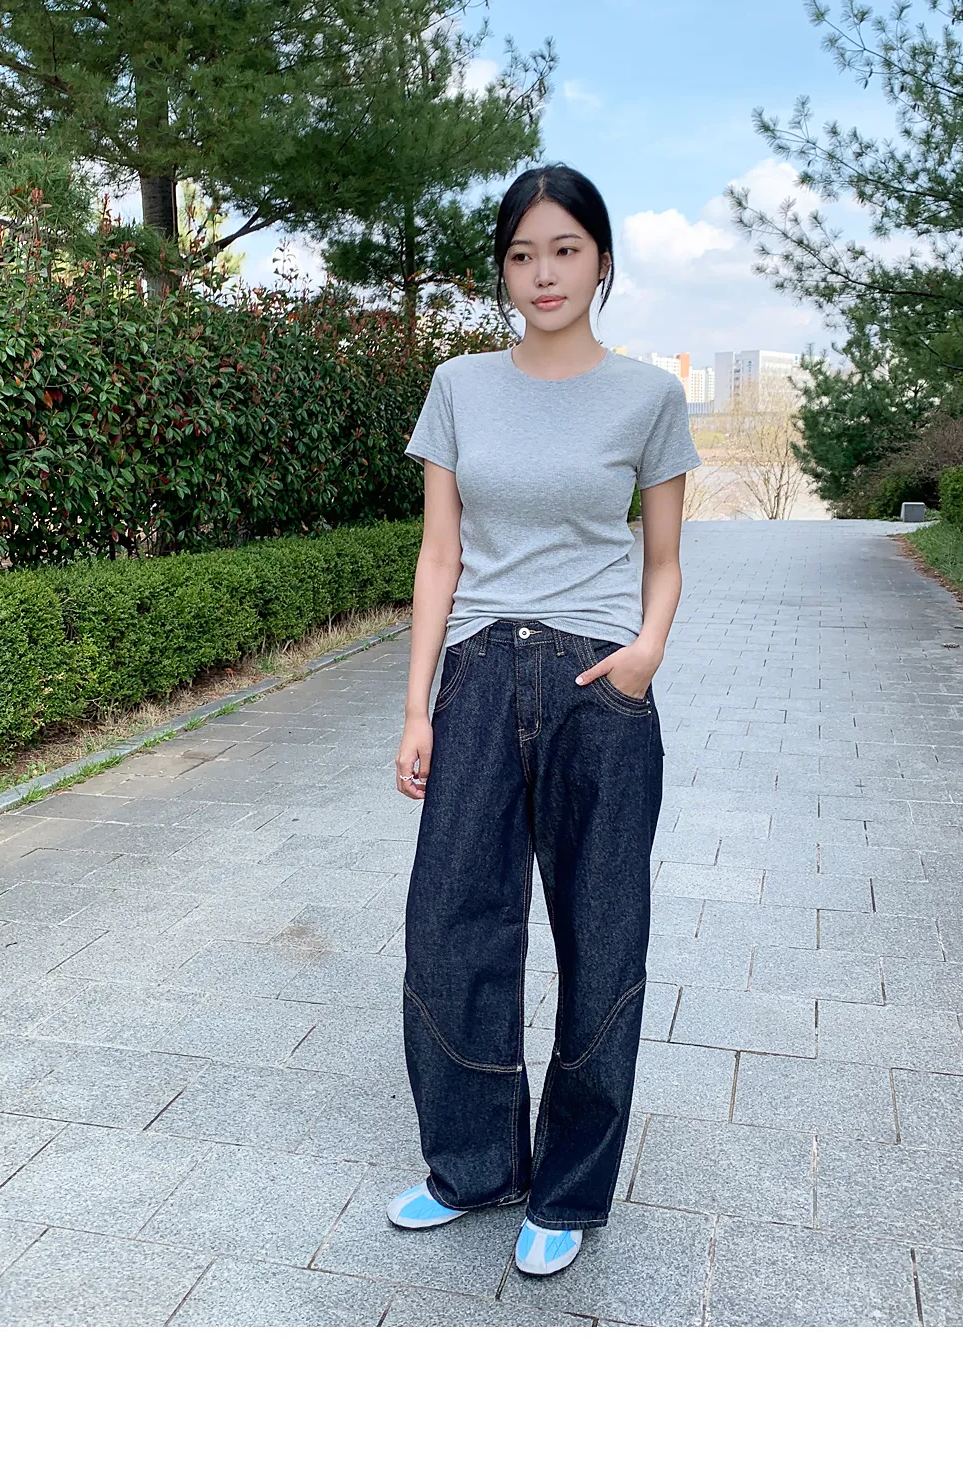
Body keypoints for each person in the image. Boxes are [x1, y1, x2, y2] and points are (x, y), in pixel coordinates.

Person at [387, 163, 701, 1277]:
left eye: (564, 249)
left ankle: (568, 1190)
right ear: (503, 272)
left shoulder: (647, 396)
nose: (543, 273)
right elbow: (439, 555)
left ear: (601, 260)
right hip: (478, 677)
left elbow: (663, 559)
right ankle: (474, 1167)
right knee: (450, 925)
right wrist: (417, 704)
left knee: (601, 935)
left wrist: (644, 655)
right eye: (521, 254)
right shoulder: (460, 385)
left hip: (595, 686)